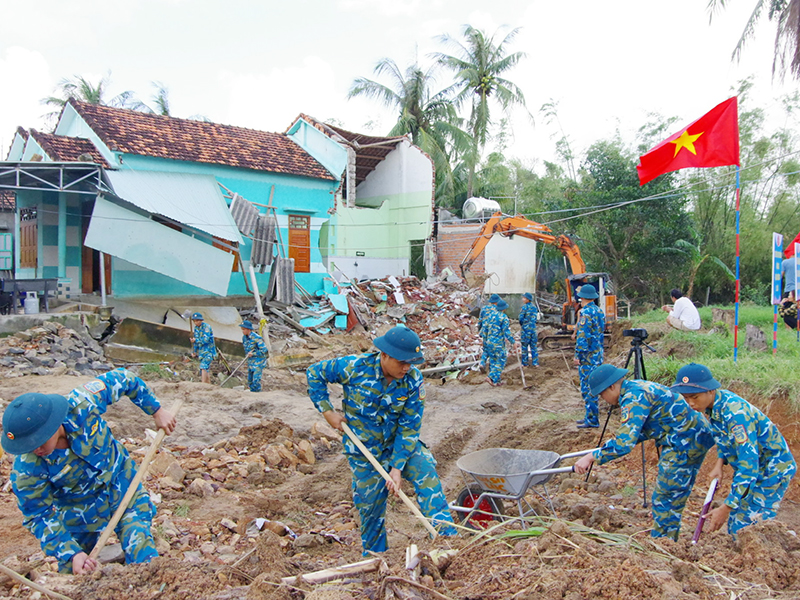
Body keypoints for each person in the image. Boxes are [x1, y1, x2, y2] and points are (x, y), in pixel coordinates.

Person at [1, 369, 177, 575]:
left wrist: (156, 410)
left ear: (52, 424)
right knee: (74, 574)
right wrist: (71, 553)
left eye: (39, 441)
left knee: (144, 559)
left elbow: (124, 379)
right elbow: (38, 515)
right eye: (29, 445)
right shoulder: (27, 470)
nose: (36, 449)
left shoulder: (82, 405)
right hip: (78, 514)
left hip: (123, 490)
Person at [306, 326, 457, 554]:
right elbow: (314, 373)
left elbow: (409, 426)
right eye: (402, 362)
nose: (406, 367)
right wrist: (327, 411)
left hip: (400, 445)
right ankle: (377, 557)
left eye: (411, 362)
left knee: (426, 471)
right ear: (384, 355)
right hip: (365, 452)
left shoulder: (413, 380)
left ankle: (447, 540)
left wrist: (397, 467)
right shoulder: (354, 367)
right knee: (370, 507)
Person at [573, 364, 715, 539]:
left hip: (685, 440)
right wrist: (604, 449)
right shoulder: (635, 388)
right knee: (672, 492)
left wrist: (592, 456)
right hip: (689, 435)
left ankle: (664, 540)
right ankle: (668, 533)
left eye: (602, 395)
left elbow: (625, 443)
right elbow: (639, 431)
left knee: (666, 495)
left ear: (612, 387)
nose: (604, 399)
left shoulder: (634, 397)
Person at [671, 363, 796, 535]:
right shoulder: (715, 407)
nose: (690, 403)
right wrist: (719, 464)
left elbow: (749, 466)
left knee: (748, 529)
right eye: (685, 398)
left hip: (772, 470)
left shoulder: (736, 415)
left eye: (694, 397)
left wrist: (726, 507)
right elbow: (726, 439)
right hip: (756, 468)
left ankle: (781, 546)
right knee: (737, 523)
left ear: (710, 391)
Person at [573, 285, 605, 428]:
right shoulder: (599, 311)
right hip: (597, 354)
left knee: (588, 388)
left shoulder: (585, 313)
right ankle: (589, 416)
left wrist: (578, 355)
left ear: (582, 297)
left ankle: (592, 420)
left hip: (587, 356)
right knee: (593, 386)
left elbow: (582, 336)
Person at [483, 298, 516, 387]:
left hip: (489, 341)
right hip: (498, 343)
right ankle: (490, 377)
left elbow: (485, 328)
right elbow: (506, 332)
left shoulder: (490, 315)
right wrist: (513, 342)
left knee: (493, 361)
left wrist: (485, 341)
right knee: (501, 360)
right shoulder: (503, 317)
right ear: (504, 308)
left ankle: (496, 381)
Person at [240, 320, 268, 392]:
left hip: (258, 361)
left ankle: (257, 393)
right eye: (242, 329)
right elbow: (246, 349)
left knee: (256, 380)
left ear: (248, 329)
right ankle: (252, 392)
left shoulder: (257, 338)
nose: (242, 331)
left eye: (243, 329)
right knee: (250, 380)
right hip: (250, 361)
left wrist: (253, 354)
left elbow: (264, 350)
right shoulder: (244, 338)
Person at [189, 312, 217, 384]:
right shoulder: (196, 328)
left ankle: (203, 384)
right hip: (201, 352)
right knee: (206, 369)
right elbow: (196, 342)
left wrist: (196, 340)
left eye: (197, 320)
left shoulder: (206, 327)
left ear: (201, 320)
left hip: (209, 351)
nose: (196, 322)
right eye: (194, 321)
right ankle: (208, 384)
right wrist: (194, 351)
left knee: (203, 366)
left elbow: (206, 340)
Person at [477, 293, 500, 373]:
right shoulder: (498, 309)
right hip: (494, 333)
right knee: (493, 351)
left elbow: (480, 321)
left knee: (486, 349)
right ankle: (492, 369)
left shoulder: (484, 308)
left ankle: (482, 363)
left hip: (485, 332)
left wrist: (479, 330)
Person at [518, 292, 540, 367]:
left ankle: (525, 363)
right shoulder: (534, 307)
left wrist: (523, 325)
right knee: (533, 346)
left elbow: (520, 318)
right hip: (533, 329)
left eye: (524, 298)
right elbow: (535, 318)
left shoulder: (524, 307)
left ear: (528, 299)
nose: (523, 299)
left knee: (524, 346)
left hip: (525, 330)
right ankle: (535, 363)